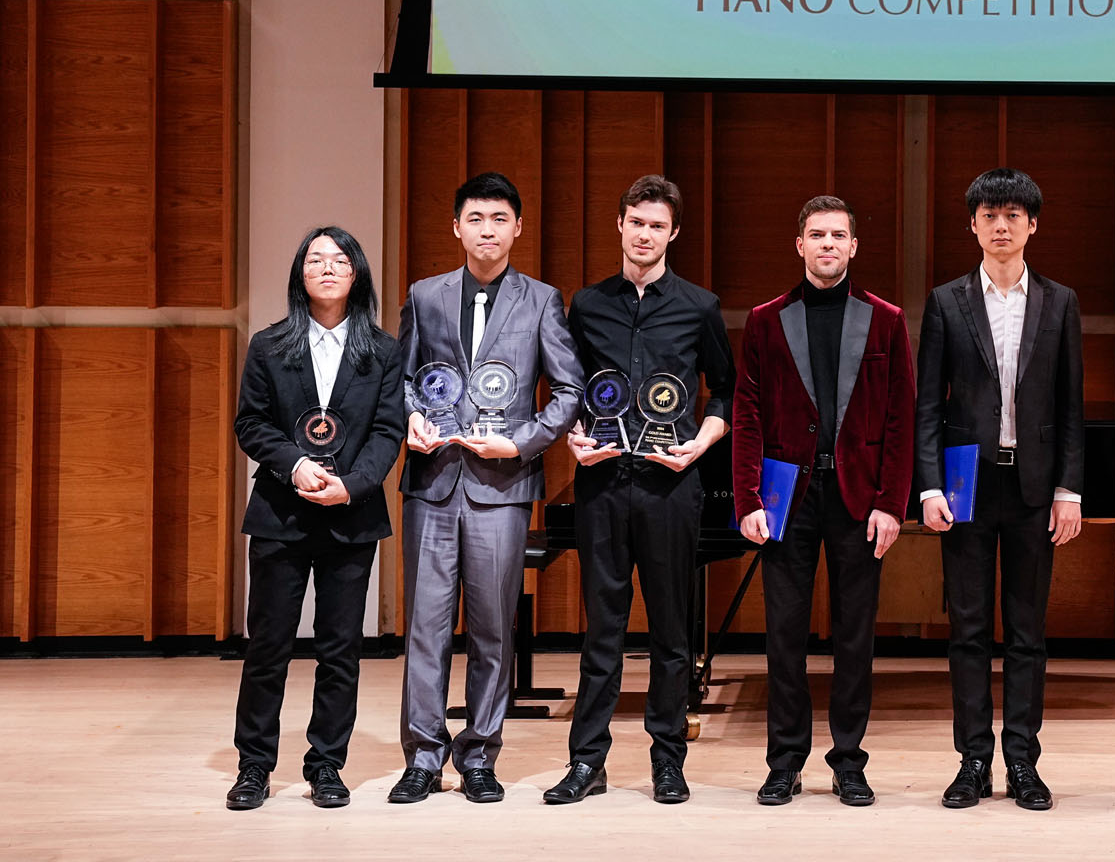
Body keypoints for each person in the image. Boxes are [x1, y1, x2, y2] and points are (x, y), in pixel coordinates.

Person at [390, 172, 584, 805]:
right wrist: (411, 418)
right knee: (425, 627)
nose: (487, 230)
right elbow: (402, 380)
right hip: (432, 483)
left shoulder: (542, 300)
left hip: (501, 485)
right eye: (475, 218)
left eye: (500, 219)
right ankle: (423, 757)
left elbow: (570, 390)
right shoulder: (425, 296)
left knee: (494, 628)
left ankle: (479, 755)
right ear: (456, 227)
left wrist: (522, 442)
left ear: (517, 228)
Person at [545, 175, 736, 807]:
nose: (645, 234)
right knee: (602, 629)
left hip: (670, 486)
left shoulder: (699, 306)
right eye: (636, 222)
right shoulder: (586, 304)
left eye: (657, 225)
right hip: (601, 483)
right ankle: (586, 761)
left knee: (671, 632)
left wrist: (701, 443)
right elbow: (569, 388)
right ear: (620, 225)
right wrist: (572, 434)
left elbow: (727, 390)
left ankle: (668, 760)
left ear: (673, 233)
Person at [731, 195, 916, 807]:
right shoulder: (766, 320)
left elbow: (901, 416)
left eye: (838, 235)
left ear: (853, 246)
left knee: (855, 637)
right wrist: (747, 499)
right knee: (784, 636)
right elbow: (747, 414)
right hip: (786, 497)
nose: (828, 244)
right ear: (800, 244)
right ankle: (784, 762)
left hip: (859, 498)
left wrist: (892, 503)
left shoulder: (886, 319)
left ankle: (849, 762)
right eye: (817, 235)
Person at [915, 168, 1086, 811]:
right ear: (973, 225)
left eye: (1013, 215)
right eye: (990, 215)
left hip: (1035, 486)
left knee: (1026, 632)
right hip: (966, 485)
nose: (1001, 226)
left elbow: (1070, 406)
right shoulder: (946, 301)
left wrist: (1070, 490)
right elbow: (928, 404)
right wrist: (928, 486)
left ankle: (1022, 761)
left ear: (1032, 225)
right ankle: (972, 761)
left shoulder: (1060, 301)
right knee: (966, 629)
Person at [227, 227, 406, 810]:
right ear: (300, 274)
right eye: (315, 259)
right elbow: (251, 423)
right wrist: (296, 465)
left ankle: (326, 765)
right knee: (268, 647)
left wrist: (352, 485)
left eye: (340, 259)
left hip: (350, 518)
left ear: (357, 274)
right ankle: (254, 766)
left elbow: (388, 430)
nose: (327, 267)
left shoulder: (383, 351)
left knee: (340, 650)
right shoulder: (268, 344)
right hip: (281, 513)